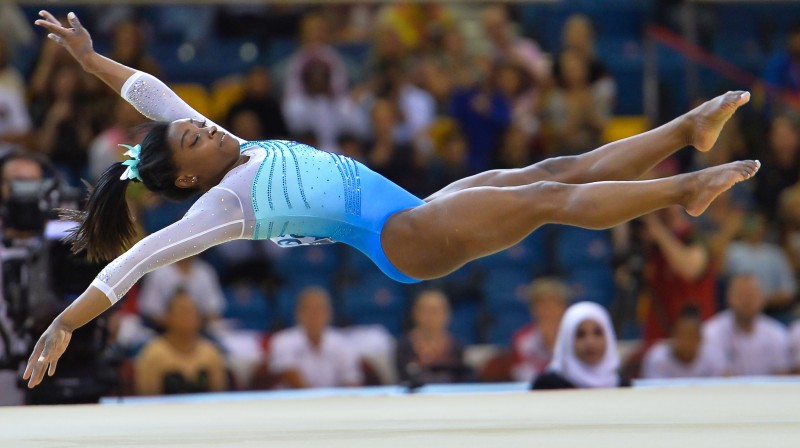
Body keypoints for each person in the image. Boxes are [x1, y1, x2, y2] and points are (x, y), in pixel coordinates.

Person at [25, 11, 760, 388]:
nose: (197, 122)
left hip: (413, 205)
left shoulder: (222, 147)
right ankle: (686, 188)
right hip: (406, 238)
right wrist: (64, 321)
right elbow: (135, 265)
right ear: (188, 176)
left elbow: (151, 96)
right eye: (189, 137)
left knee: (559, 168)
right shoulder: (222, 204)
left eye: (190, 122)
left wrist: (90, 59)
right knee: (543, 197)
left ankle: (687, 130)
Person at [134, 288, 227, 395]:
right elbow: (146, 400)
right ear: (168, 316)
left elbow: (219, 397)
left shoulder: (210, 352)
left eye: (191, 312)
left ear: (199, 318)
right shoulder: (153, 353)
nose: (187, 317)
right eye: (182, 312)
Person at [268, 286, 362, 389]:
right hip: (293, 403)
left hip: (334, 403)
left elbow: (352, 383)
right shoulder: (282, 341)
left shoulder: (344, 344)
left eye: (319, 309)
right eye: (308, 310)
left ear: (329, 313)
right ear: (298, 313)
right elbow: (294, 381)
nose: (314, 315)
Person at [703, 274, 790, 376]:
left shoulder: (777, 334)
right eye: (742, 295)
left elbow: (782, 379)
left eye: (752, 295)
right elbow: (721, 378)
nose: (747, 300)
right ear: (729, 297)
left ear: (762, 298)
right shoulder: (712, 332)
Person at [531, 301, 626, 390]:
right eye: (580, 335)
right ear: (567, 340)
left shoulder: (622, 385)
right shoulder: (547, 386)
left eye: (597, 333)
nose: (590, 342)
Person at [396, 289, 468, 385]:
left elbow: (461, 380)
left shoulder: (457, 346)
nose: (429, 317)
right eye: (425, 311)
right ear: (415, 313)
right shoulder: (404, 345)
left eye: (434, 311)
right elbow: (403, 378)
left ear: (447, 314)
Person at [641, 306, 726, 379]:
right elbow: (652, 391)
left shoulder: (713, 356)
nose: (686, 341)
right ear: (673, 336)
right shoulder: (658, 358)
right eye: (682, 335)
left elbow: (724, 385)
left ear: (700, 339)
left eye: (691, 336)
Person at [511, 277, 569, 383]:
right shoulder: (522, 338)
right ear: (533, 309)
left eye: (553, 303)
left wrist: (553, 344)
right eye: (542, 304)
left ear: (564, 307)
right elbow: (523, 377)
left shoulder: (576, 336)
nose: (548, 310)